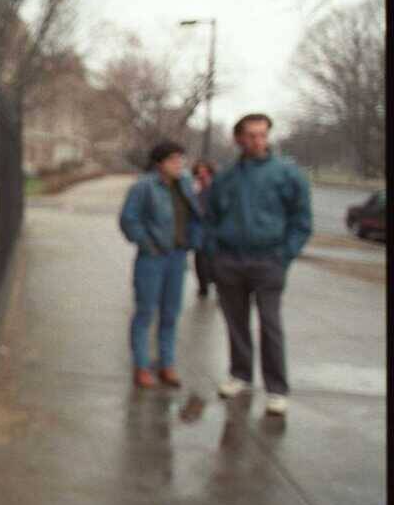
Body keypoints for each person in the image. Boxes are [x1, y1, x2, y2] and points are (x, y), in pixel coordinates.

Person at [203, 113, 312, 416]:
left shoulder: (287, 175)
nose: (258, 141)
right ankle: (240, 374)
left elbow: (301, 220)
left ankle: (277, 389)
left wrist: (285, 255)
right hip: (230, 260)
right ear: (238, 138)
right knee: (235, 322)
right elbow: (209, 218)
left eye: (263, 135)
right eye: (251, 135)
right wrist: (214, 255)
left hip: (268, 260)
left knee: (270, 324)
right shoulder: (226, 177)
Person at [119, 140, 203, 389]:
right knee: (145, 312)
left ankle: (167, 363)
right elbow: (129, 220)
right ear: (160, 163)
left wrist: (193, 241)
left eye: (181, 159)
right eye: (174, 160)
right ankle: (142, 366)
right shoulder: (144, 186)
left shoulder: (184, 184)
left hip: (177, 256)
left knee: (170, 313)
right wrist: (147, 244)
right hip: (152, 258)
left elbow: (195, 215)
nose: (179, 164)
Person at [191, 159, 217, 297]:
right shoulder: (193, 189)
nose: (202, 175)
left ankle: (217, 286)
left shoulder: (217, 188)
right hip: (199, 232)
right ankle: (203, 287)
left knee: (215, 261)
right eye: (199, 172)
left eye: (205, 172)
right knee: (200, 261)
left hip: (214, 231)